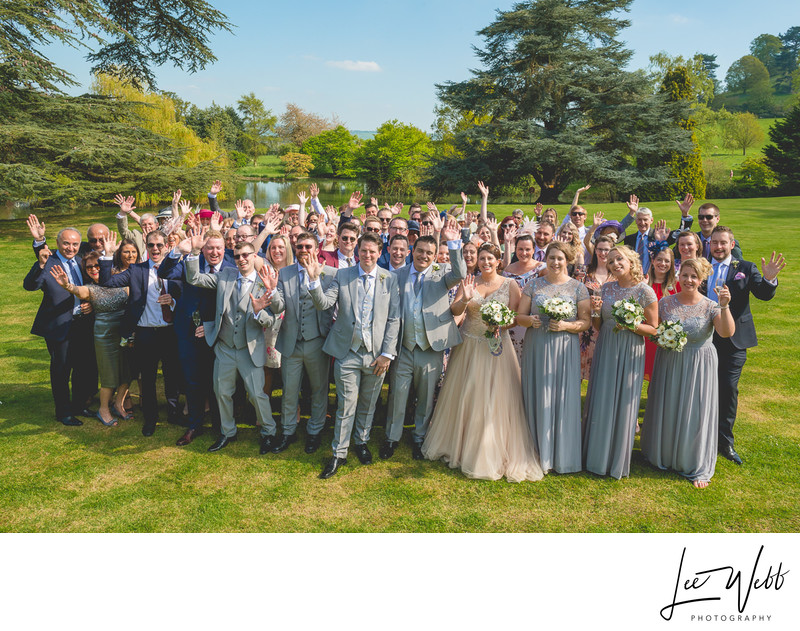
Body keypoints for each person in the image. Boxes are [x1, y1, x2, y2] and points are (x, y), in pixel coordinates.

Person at [422, 243, 544, 482]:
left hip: (497, 347)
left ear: (499, 261)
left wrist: (500, 323)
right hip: (468, 344)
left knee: (495, 397)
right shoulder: (468, 282)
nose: (485, 262)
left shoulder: (510, 284)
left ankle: (488, 448)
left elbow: (514, 318)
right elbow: (456, 311)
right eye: (482, 258)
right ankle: (459, 444)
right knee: (466, 393)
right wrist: (465, 299)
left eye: (490, 258)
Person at [302, 231, 401, 479]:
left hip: (376, 354)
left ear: (380, 254)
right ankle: (339, 453)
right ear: (357, 251)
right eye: (363, 250)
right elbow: (325, 304)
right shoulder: (342, 275)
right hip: (347, 352)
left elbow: (394, 318)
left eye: (372, 251)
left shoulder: (389, 279)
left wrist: (387, 354)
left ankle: (362, 441)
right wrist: (314, 282)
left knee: (368, 404)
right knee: (346, 404)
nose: (367, 255)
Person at [641, 258, 735, 488]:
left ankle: (693, 461)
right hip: (669, 361)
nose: (689, 280)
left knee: (695, 409)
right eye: (685, 275)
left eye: (694, 277)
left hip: (699, 363)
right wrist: (658, 337)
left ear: (701, 280)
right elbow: (652, 328)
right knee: (669, 405)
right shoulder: (665, 303)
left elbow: (726, 332)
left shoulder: (710, 306)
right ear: (678, 276)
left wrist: (725, 305)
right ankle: (663, 454)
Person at [185, 239, 280, 453]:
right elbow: (194, 277)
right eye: (237, 256)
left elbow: (276, 313)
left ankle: (269, 432)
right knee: (222, 392)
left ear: (254, 256)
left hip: (250, 349)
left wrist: (258, 310)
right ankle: (228, 432)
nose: (242, 259)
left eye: (246, 255)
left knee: (257, 395)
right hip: (225, 347)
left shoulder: (264, 281)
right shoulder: (225, 276)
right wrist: (194, 251)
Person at [382, 221, 465, 460]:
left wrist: (453, 243)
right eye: (420, 251)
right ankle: (391, 438)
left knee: (426, 397)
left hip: (431, 347)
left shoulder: (441, 274)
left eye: (429, 253)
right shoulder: (396, 275)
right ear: (412, 250)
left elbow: (460, 273)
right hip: (404, 347)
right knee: (398, 394)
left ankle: (419, 438)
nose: (424, 256)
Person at [705, 226, 784, 465]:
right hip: (704, 337)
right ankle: (701, 436)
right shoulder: (701, 267)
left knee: (728, 389)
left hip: (734, 340)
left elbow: (763, 294)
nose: (718, 247)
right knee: (702, 387)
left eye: (723, 243)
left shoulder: (745, 268)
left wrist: (769, 279)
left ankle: (725, 442)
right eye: (714, 243)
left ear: (732, 244)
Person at [583, 245, 658, 479]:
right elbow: (599, 326)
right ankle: (595, 455)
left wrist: (631, 325)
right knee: (603, 397)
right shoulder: (606, 288)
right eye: (612, 260)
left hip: (629, 351)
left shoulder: (644, 292)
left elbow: (653, 329)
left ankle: (615, 458)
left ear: (632, 261)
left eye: (620, 259)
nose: (615, 264)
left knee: (624, 401)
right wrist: (596, 312)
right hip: (606, 347)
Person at [517, 242, 591, 474]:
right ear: (545, 259)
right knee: (537, 393)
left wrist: (568, 325)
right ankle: (535, 450)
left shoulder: (579, 288)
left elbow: (586, 322)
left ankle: (562, 453)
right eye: (551, 258)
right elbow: (520, 316)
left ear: (567, 260)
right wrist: (531, 321)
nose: (555, 262)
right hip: (537, 345)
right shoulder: (533, 284)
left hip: (564, 347)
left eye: (560, 258)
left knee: (562, 395)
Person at [100, 229, 182, 436]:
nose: (155, 249)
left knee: (172, 375)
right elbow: (107, 283)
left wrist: (173, 301)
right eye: (151, 245)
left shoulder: (178, 269)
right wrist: (108, 255)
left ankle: (173, 412)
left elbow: (187, 296)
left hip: (170, 332)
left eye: (159, 245)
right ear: (146, 246)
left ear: (167, 247)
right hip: (145, 333)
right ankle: (151, 418)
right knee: (148, 377)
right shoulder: (136, 270)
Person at [159, 229, 235, 446]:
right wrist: (178, 251)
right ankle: (194, 425)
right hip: (188, 331)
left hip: (219, 333)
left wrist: (211, 327)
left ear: (224, 249)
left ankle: (222, 426)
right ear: (203, 248)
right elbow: (164, 271)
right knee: (192, 381)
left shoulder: (231, 267)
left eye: (218, 248)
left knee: (218, 382)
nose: (214, 252)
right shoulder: (191, 262)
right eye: (209, 247)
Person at [266, 232, 337, 454]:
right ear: (294, 249)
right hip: (291, 342)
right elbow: (277, 308)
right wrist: (271, 290)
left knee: (318, 389)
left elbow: (325, 306)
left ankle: (315, 431)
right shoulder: (284, 273)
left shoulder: (330, 274)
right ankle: (288, 431)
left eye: (308, 246)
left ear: (317, 248)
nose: (303, 250)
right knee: (289, 390)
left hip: (317, 341)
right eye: (299, 247)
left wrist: (314, 278)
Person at [23, 228, 98, 426]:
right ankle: (63, 412)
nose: (70, 248)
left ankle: (79, 405)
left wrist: (90, 302)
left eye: (74, 244)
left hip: (82, 323)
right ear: (58, 243)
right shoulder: (48, 262)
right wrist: (40, 262)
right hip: (58, 325)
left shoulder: (83, 258)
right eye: (66, 243)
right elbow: (29, 285)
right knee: (62, 369)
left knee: (83, 367)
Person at [49, 249, 130, 427]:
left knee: (127, 371)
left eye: (97, 265)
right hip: (105, 334)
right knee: (109, 374)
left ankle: (118, 404)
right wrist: (67, 286)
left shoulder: (120, 280)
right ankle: (103, 409)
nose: (93, 269)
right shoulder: (90, 288)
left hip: (124, 331)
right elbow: (77, 290)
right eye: (89, 267)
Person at [580, 235, 615, 381]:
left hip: (605, 327)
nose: (603, 253)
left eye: (607, 250)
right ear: (595, 250)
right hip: (586, 326)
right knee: (579, 367)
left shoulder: (617, 275)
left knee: (602, 371)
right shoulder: (584, 272)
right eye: (600, 249)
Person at [502, 233, 541, 361]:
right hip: (513, 322)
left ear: (533, 250)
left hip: (533, 320)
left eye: (527, 249)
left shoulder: (542, 268)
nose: (524, 253)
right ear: (516, 249)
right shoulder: (508, 270)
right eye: (520, 249)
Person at [644, 244, 679, 382]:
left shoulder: (677, 286)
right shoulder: (643, 283)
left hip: (665, 336)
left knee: (660, 376)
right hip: (645, 335)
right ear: (653, 261)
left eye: (667, 261)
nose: (662, 264)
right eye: (659, 259)